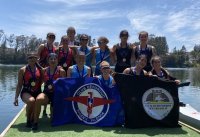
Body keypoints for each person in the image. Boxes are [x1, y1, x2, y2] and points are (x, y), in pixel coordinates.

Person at [32, 53, 66, 130]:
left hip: (56, 94)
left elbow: (64, 85)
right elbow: (41, 82)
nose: (53, 60)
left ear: (57, 61)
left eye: (55, 59)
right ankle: (35, 122)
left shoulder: (61, 71)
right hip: (46, 94)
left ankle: (54, 112)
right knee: (38, 99)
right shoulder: (44, 70)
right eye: (51, 59)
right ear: (48, 60)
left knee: (53, 120)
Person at [13, 52, 43, 129]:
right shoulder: (22, 70)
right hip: (26, 92)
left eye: (34, 57)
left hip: (37, 91)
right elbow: (19, 85)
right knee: (31, 101)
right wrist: (16, 98)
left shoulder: (40, 69)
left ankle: (33, 117)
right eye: (30, 58)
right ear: (27, 59)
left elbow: (44, 80)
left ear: (37, 59)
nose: (32, 59)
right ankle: (28, 120)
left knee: (36, 102)